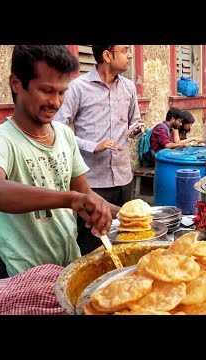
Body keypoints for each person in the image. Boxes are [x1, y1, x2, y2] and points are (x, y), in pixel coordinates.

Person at [0, 45, 116, 279]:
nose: (56, 102)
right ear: (16, 83)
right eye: (46, 91)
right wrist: (70, 199)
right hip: (22, 276)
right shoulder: (1, 140)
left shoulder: (64, 134)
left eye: (61, 92)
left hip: (67, 265)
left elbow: (84, 194)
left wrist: (136, 216)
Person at [54, 45, 142, 255]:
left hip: (123, 177)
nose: (129, 55)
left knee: (127, 239)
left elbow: (135, 120)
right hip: (93, 183)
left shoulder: (129, 87)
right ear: (107, 55)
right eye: (124, 50)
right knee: (92, 244)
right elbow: (58, 129)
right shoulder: (78, 87)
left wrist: (136, 129)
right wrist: (92, 146)